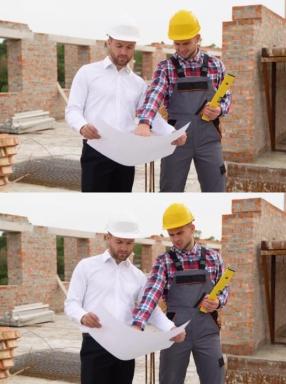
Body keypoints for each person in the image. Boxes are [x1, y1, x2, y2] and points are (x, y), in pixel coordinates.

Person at [65, 214, 185, 384]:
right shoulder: (86, 266)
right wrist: (83, 316)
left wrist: (171, 328)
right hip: (95, 344)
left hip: (126, 346)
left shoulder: (137, 276)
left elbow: (149, 309)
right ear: (108, 238)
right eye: (119, 242)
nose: (124, 248)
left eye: (129, 243)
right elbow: (71, 304)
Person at [66, 22, 186, 192]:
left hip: (126, 155)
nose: (123, 52)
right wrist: (82, 126)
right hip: (96, 150)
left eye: (129, 47)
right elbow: (73, 109)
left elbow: (150, 117)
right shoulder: (87, 73)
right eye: (119, 46)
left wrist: (171, 133)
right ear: (109, 42)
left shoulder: (138, 84)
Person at [131, 203, 229, 384]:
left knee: (215, 378)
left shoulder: (213, 257)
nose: (175, 239)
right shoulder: (164, 262)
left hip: (207, 331)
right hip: (175, 331)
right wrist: (138, 323)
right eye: (171, 234)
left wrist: (218, 302)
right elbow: (151, 293)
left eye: (180, 232)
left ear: (192, 228)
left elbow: (223, 290)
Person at [135, 10, 232, 192]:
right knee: (170, 189)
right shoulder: (166, 68)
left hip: (209, 140)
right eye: (177, 44)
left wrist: (219, 109)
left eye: (186, 43)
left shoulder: (215, 65)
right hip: (176, 139)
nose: (181, 49)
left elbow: (227, 97)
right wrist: (144, 122)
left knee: (216, 189)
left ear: (198, 38)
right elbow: (154, 95)